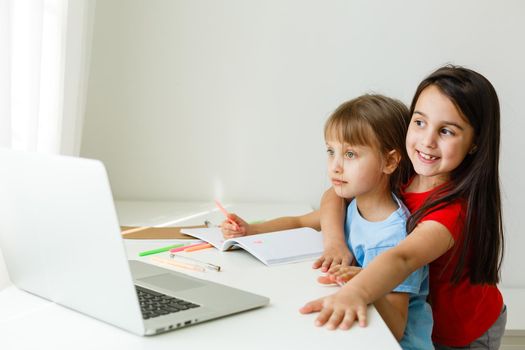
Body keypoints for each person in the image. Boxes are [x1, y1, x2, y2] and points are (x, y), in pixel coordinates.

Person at [301, 65, 506, 349]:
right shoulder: (404, 171)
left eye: (446, 131)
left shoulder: (452, 212)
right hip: (420, 318)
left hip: (461, 334)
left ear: (475, 143)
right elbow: (335, 195)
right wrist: (335, 242)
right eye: (420, 122)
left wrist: (357, 291)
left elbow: (404, 258)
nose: (427, 141)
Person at [221, 94, 433, 349]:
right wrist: (251, 229)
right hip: (358, 327)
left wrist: (364, 282)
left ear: (389, 161)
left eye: (351, 154)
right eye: (331, 151)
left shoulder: (393, 235)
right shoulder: (353, 205)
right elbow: (301, 221)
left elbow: (397, 327)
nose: (335, 166)